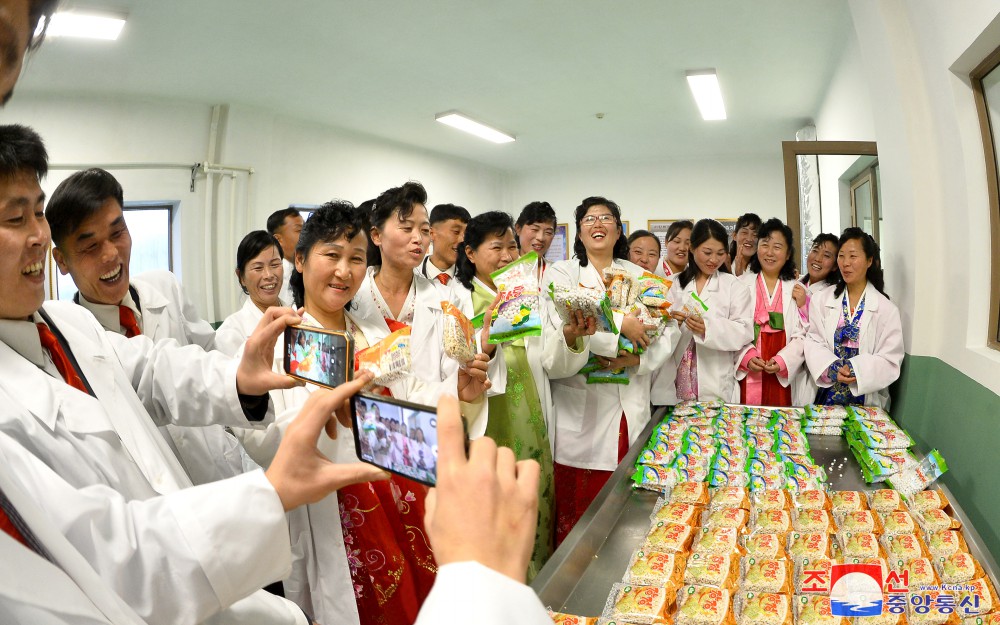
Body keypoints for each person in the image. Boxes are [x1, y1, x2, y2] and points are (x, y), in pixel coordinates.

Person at [0, 123, 331, 624]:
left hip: (206, 538)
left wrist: (238, 377)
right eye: (13, 217)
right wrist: (267, 496)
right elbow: (107, 556)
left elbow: (153, 367)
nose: (37, 236)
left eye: (38, 212)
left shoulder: (65, 324)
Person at [237, 200, 492, 625]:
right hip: (334, 512)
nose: (344, 271)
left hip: (399, 499)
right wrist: (327, 409)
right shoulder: (281, 345)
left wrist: (457, 391)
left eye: (356, 259)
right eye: (331, 255)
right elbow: (257, 446)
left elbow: (410, 391)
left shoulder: (372, 333)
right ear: (299, 260)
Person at [46, 167, 252, 486]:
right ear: (61, 260)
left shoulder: (166, 288)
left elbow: (213, 357)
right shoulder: (70, 348)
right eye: (90, 247)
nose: (112, 255)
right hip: (166, 493)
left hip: (222, 464)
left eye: (117, 233)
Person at [544, 197, 677, 543]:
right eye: (589, 219)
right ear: (580, 231)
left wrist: (638, 359)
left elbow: (668, 331)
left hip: (626, 405)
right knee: (578, 517)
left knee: (623, 513)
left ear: (619, 231)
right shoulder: (563, 274)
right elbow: (565, 320)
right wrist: (622, 327)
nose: (598, 223)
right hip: (582, 408)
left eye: (607, 218)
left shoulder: (641, 276)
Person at [455, 210, 555, 579]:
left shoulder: (522, 293)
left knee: (531, 485)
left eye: (512, 246)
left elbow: (545, 350)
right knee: (495, 494)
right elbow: (457, 367)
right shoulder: (461, 299)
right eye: (496, 247)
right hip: (488, 410)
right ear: (470, 254)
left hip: (525, 400)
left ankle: (539, 581)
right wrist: (489, 346)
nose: (508, 255)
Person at [804, 228, 903, 408]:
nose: (845, 263)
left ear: (869, 261)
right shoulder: (822, 299)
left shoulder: (886, 309)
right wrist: (832, 367)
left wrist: (857, 369)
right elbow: (813, 340)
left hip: (866, 401)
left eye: (853, 256)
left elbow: (890, 359)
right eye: (841, 256)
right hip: (825, 396)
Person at [667, 218, 754, 403]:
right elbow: (661, 329)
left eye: (720, 253)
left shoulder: (733, 286)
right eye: (707, 252)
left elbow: (744, 331)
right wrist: (672, 322)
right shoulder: (675, 283)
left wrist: (708, 328)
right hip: (676, 373)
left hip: (715, 377)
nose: (714, 260)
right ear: (692, 248)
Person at [734, 219, 813, 406]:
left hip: (783, 368)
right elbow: (733, 328)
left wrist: (784, 360)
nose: (769, 252)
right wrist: (746, 356)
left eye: (777, 247)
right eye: (764, 245)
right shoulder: (740, 285)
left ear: (787, 255)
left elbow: (804, 334)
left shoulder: (797, 290)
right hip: (751, 366)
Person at [216, 230, 286, 356]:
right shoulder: (230, 333)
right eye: (258, 268)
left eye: (275, 264)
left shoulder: (298, 315)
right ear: (241, 277)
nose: (269, 275)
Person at [649, 220, 692, 406]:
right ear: (666, 242)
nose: (682, 247)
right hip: (656, 355)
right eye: (676, 241)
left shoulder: (695, 276)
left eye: (689, 243)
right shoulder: (653, 274)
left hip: (686, 358)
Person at [791, 233, 840, 326]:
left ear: (835, 265)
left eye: (826, 255)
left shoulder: (833, 296)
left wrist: (803, 306)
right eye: (815, 250)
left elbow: (823, 333)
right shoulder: (796, 283)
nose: (818, 258)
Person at [419, 203, 471, 290]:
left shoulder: (472, 278)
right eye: (456, 231)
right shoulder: (411, 274)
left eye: (466, 234)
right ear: (431, 233)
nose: (463, 240)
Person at [267, 207, 304, 305]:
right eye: (299, 230)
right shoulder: (272, 275)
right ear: (278, 240)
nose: (305, 234)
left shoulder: (306, 269)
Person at [514, 201, 558, 276]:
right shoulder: (503, 271)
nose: (540, 238)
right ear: (518, 229)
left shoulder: (556, 272)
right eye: (534, 229)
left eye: (548, 232)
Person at [728, 212, 761, 277]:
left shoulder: (763, 270)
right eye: (744, 233)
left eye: (755, 235)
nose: (749, 239)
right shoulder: (724, 265)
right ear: (734, 236)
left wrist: (739, 276)